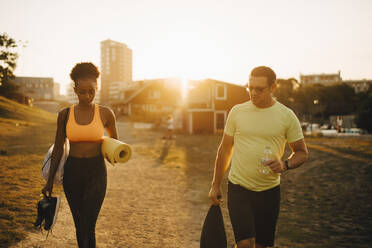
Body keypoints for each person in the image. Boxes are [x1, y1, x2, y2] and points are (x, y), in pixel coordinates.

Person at [208, 66, 309, 248]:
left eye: (259, 89)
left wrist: (285, 164)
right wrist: (215, 185)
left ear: (273, 88)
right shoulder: (237, 112)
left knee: (261, 245)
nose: (253, 93)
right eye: (250, 87)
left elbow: (302, 152)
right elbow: (224, 150)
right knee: (245, 243)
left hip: (269, 192)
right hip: (239, 188)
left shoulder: (286, 116)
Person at [42, 62, 118, 248]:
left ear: (96, 88)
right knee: (79, 224)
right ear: (75, 90)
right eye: (82, 91)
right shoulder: (64, 115)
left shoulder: (106, 113)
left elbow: (114, 144)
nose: (87, 96)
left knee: (88, 223)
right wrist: (50, 180)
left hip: (96, 172)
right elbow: (58, 148)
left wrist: (114, 153)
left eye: (91, 91)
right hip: (72, 172)